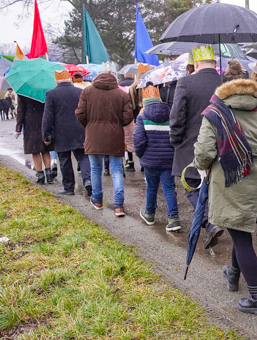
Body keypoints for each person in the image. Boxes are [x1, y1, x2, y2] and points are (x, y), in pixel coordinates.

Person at [195, 78, 257, 316]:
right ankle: (232, 273)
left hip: (230, 183)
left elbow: (204, 154)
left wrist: (203, 165)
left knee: (241, 239)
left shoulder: (214, 116)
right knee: (239, 229)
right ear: (256, 98)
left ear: (225, 96)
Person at [170, 45, 224, 249]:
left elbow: (177, 117)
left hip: (191, 145)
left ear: (197, 63)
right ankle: (214, 220)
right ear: (215, 63)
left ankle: (210, 222)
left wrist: (176, 141)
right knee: (214, 186)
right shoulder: (224, 83)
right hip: (221, 144)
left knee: (191, 186)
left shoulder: (185, 83)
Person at [75, 70, 134, 216]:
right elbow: (128, 117)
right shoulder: (121, 94)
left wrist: (89, 125)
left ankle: (98, 200)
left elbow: (80, 113)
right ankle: (119, 205)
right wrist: (116, 124)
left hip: (93, 135)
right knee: (116, 170)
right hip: (115, 135)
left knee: (95, 169)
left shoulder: (87, 92)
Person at [134, 85, 180, 232]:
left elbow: (139, 140)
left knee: (152, 187)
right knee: (169, 188)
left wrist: (141, 155)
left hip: (150, 160)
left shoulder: (142, 117)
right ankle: (173, 219)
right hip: (168, 160)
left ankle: (149, 214)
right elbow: (175, 137)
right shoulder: (171, 115)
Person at [42, 69, 91, 197]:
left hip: (61, 132)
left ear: (56, 81)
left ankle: (69, 188)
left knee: (64, 159)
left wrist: (46, 135)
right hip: (80, 130)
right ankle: (88, 180)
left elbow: (48, 116)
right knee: (83, 156)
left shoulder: (51, 94)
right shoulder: (80, 92)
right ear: (70, 79)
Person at [16, 94, 53, 185]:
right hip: (44, 121)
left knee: (35, 150)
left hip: (30, 123)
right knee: (45, 149)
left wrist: (18, 128)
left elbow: (20, 111)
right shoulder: (45, 92)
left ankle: (40, 174)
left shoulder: (23, 93)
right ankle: (48, 173)